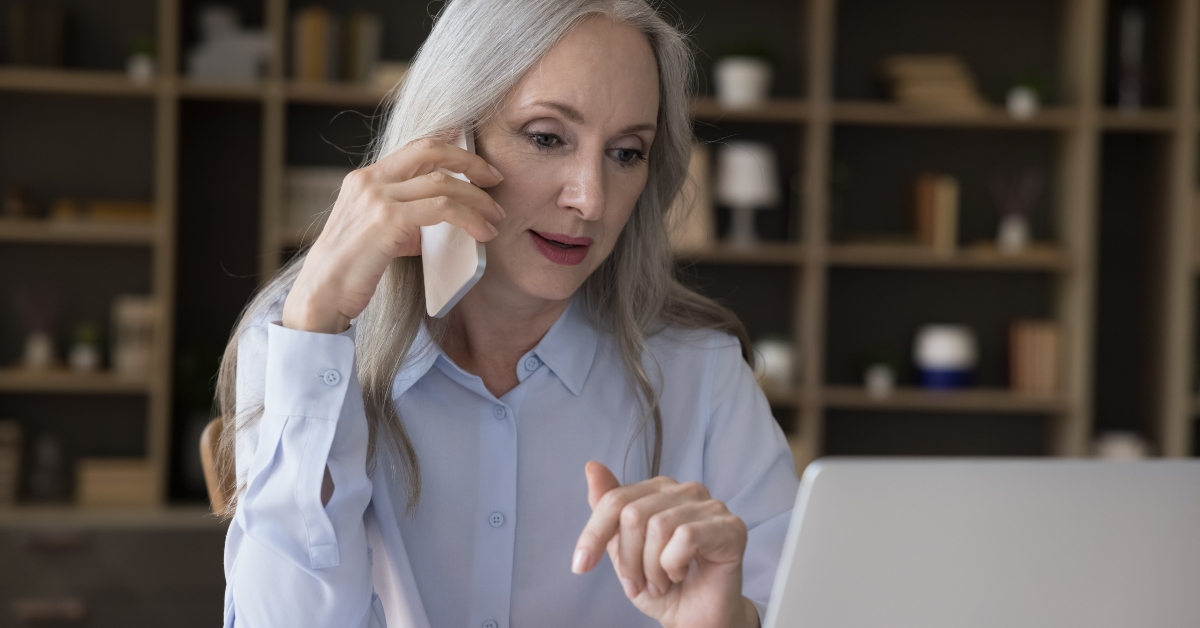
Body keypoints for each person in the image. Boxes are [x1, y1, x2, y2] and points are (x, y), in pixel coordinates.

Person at [214, 1, 798, 626]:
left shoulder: (701, 375)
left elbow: (804, 604)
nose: (590, 199)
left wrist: (728, 623)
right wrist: (314, 327)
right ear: (448, 139)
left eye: (626, 152)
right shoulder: (305, 341)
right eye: (546, 138)